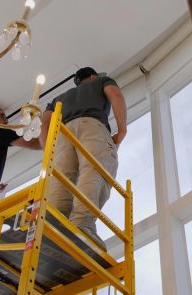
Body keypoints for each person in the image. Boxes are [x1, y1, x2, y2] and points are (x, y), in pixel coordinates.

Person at [39, 67, 127, 251]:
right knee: (94, 170)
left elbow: (43, 124)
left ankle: (54, 228)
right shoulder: (101, 81)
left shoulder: (58, 99)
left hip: (63, 134)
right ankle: (82, 224)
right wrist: (122, 129)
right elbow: (116, 95)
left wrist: (50, 149)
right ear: (93, 76)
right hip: (91, 126)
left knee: (62, 179)